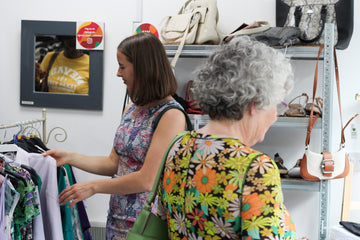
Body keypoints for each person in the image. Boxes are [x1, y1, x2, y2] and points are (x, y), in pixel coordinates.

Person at [43, 32, 189, 239]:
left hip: (146, 223)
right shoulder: (132, 108)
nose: (118, 73)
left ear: (142, 68)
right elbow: (114, 163)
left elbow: (147, 179)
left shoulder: (171, 115)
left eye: (122, 66)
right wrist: (69, 157)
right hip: (117, 218)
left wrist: (94, 187)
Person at [157, 36, 297, 239]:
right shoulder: (256, 169)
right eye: (275, 105)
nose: (275, 115)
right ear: (254, 103)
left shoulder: (178, 147)